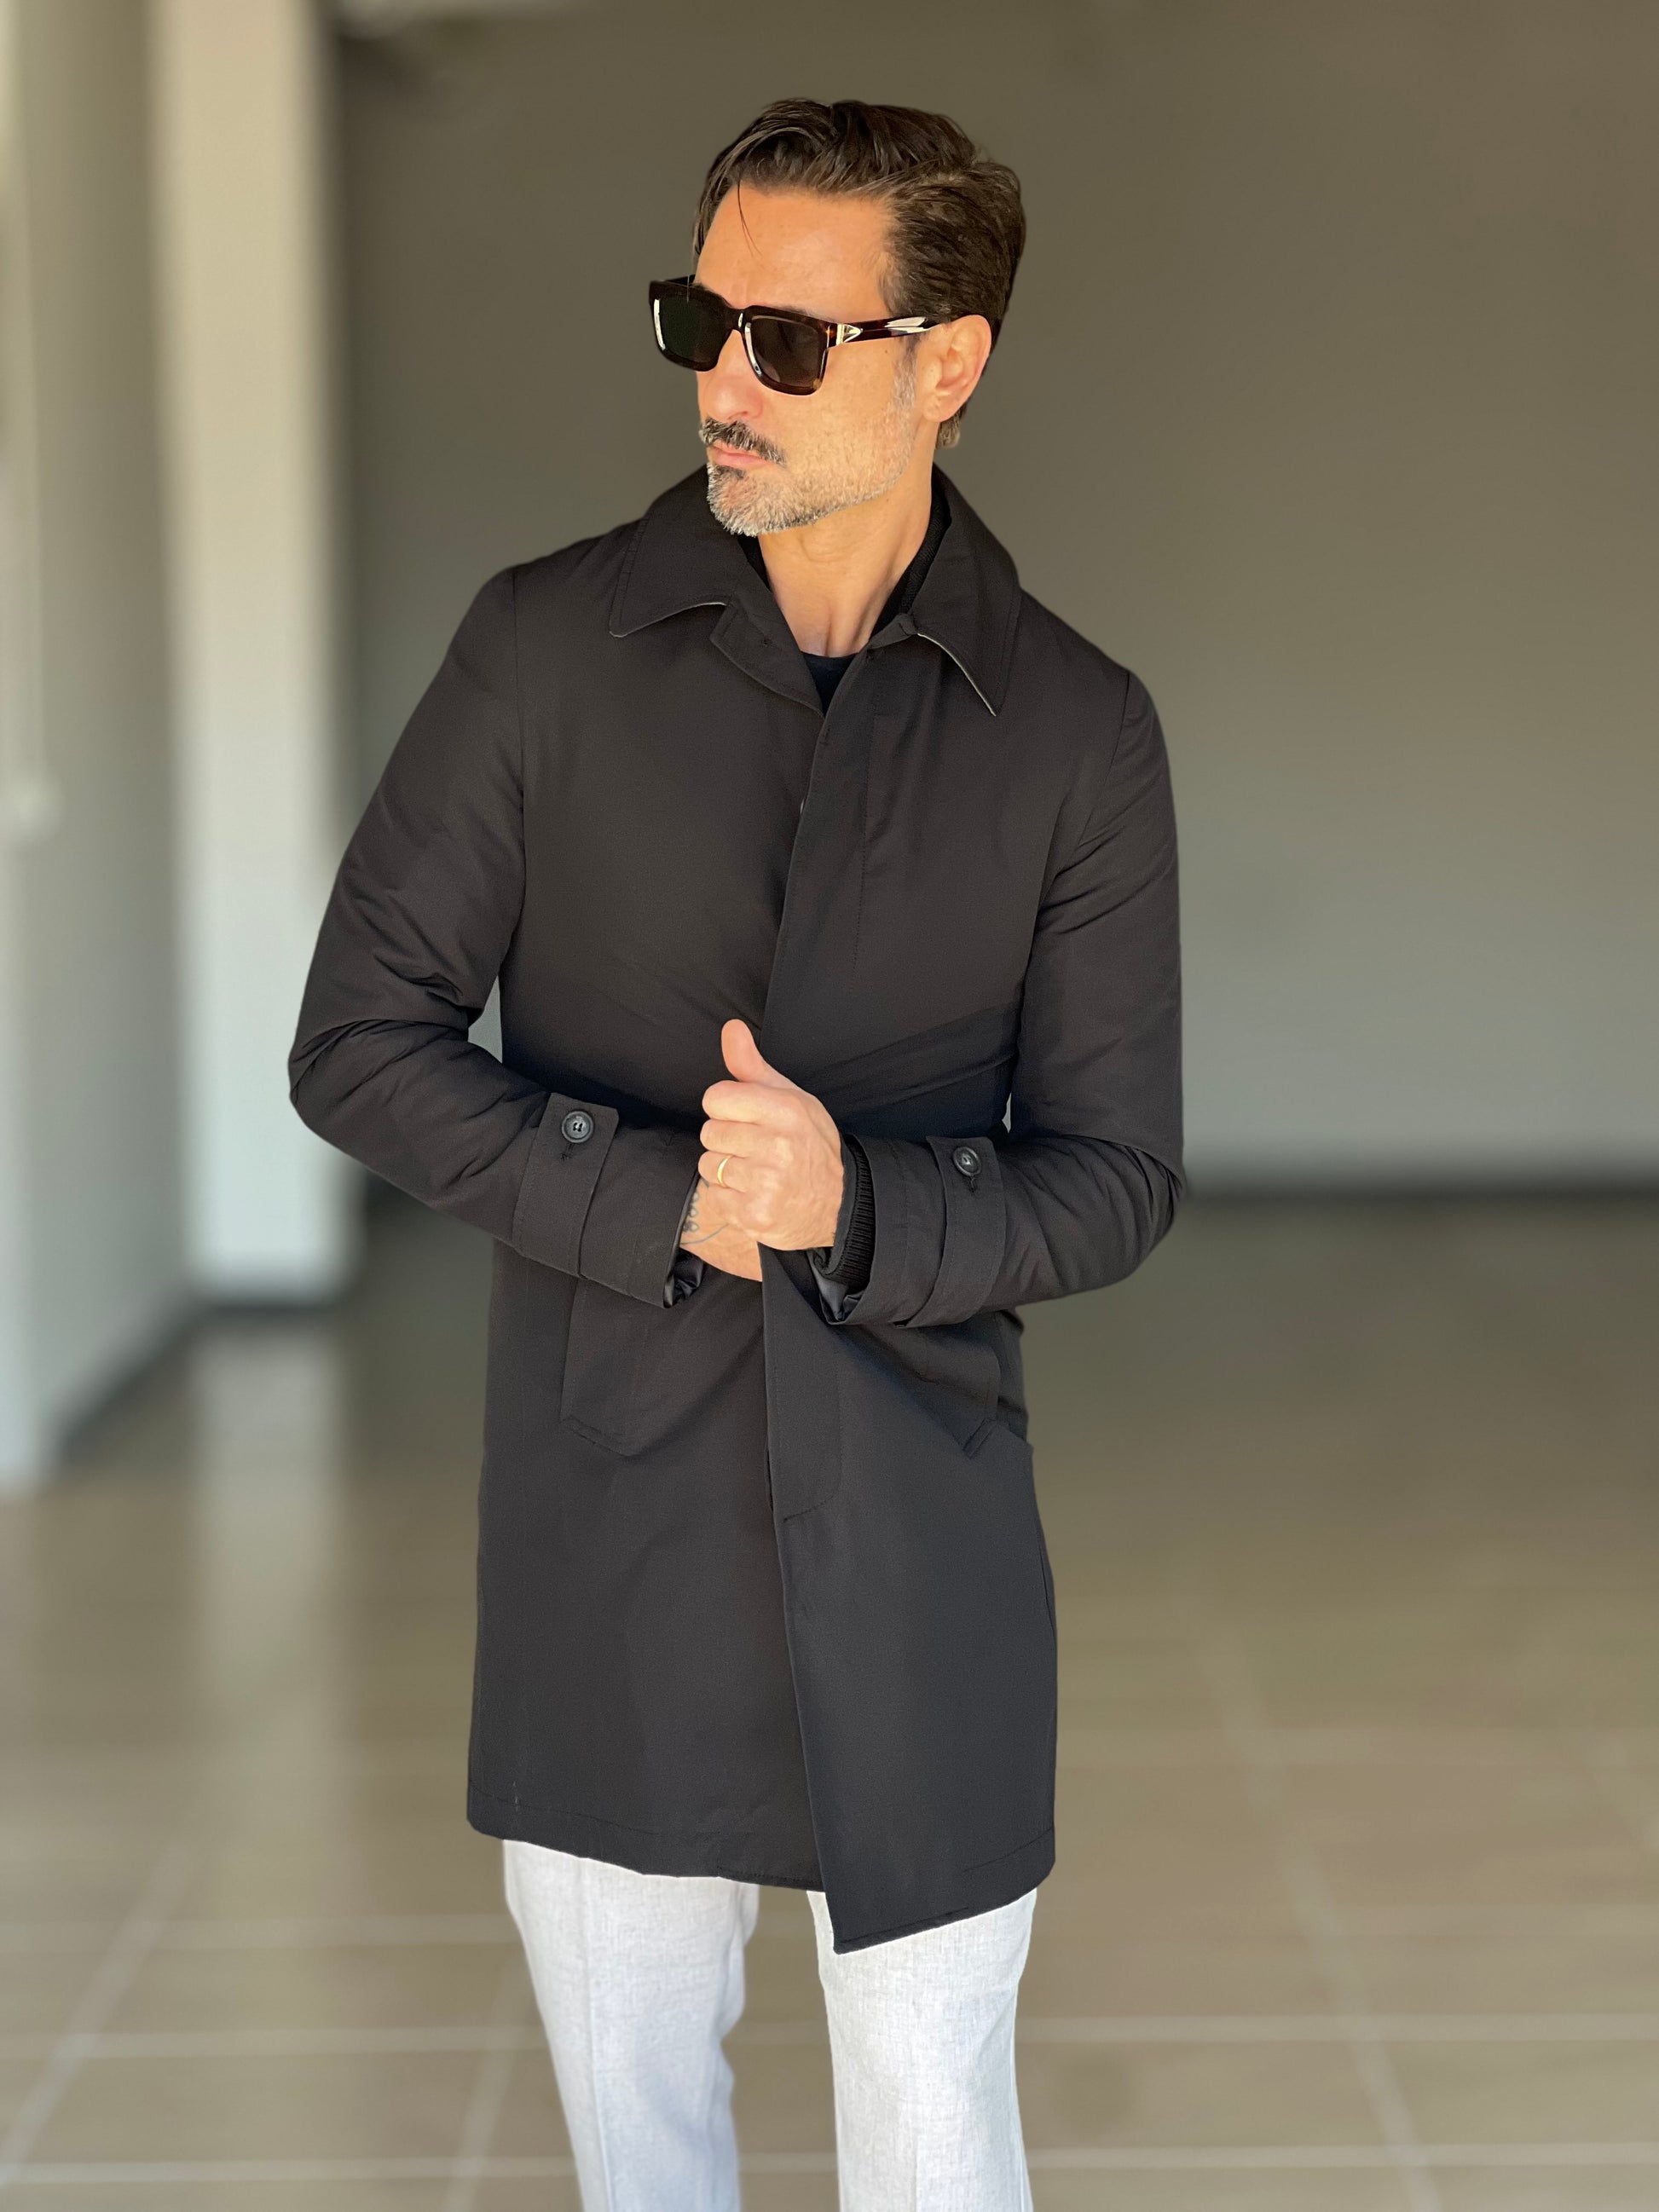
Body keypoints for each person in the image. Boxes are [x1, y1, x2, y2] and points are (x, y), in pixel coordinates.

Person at [289, 95, 1182, 2212]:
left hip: (923, 1522)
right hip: (609, 1511)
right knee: (642, 2151)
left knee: (936, 2130)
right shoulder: (542, 650)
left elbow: (1115, 1172)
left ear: (945, 363)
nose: (722, 379)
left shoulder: (1075, 729)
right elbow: (357, 1041)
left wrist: (856, 1203)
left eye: (786, 339)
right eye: (702, 319)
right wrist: (655, 1189)